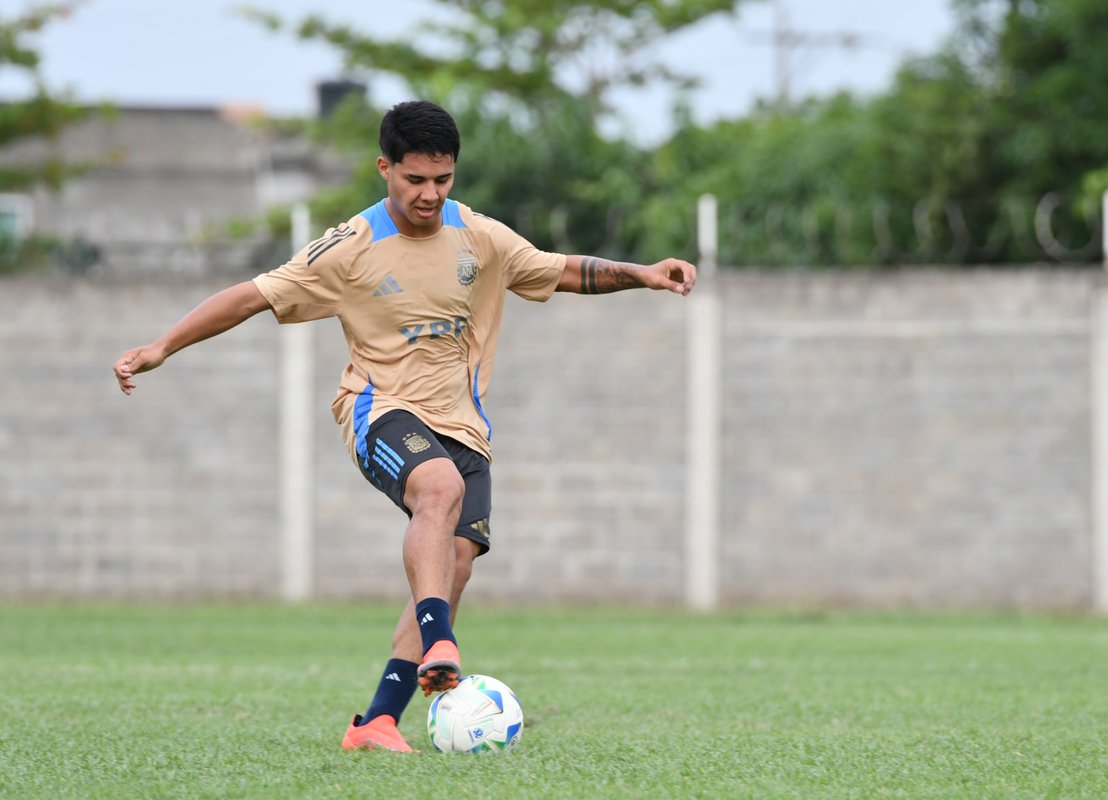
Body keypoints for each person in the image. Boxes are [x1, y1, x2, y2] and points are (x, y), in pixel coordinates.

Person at [112, 99, 697, 753]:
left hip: (465, 427)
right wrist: (162, 346)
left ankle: (375, 722)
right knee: (438, 491)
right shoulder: (350, 249)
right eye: (415, 179)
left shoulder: (479, 236)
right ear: (384, 168)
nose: (429, 193)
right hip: (378, 409)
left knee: (456, 564)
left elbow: (558, 270)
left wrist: (641, 274)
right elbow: (250, 295)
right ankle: (439, 640)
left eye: (442, 180)